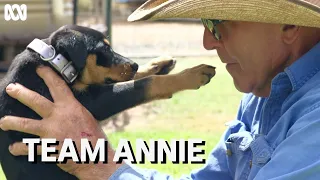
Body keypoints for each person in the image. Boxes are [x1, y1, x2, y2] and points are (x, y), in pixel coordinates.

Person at [1, 0, 320, 179]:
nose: (207, 42)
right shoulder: (259, 100)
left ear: (289, 26)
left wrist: (99, 163)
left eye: (215, 22)